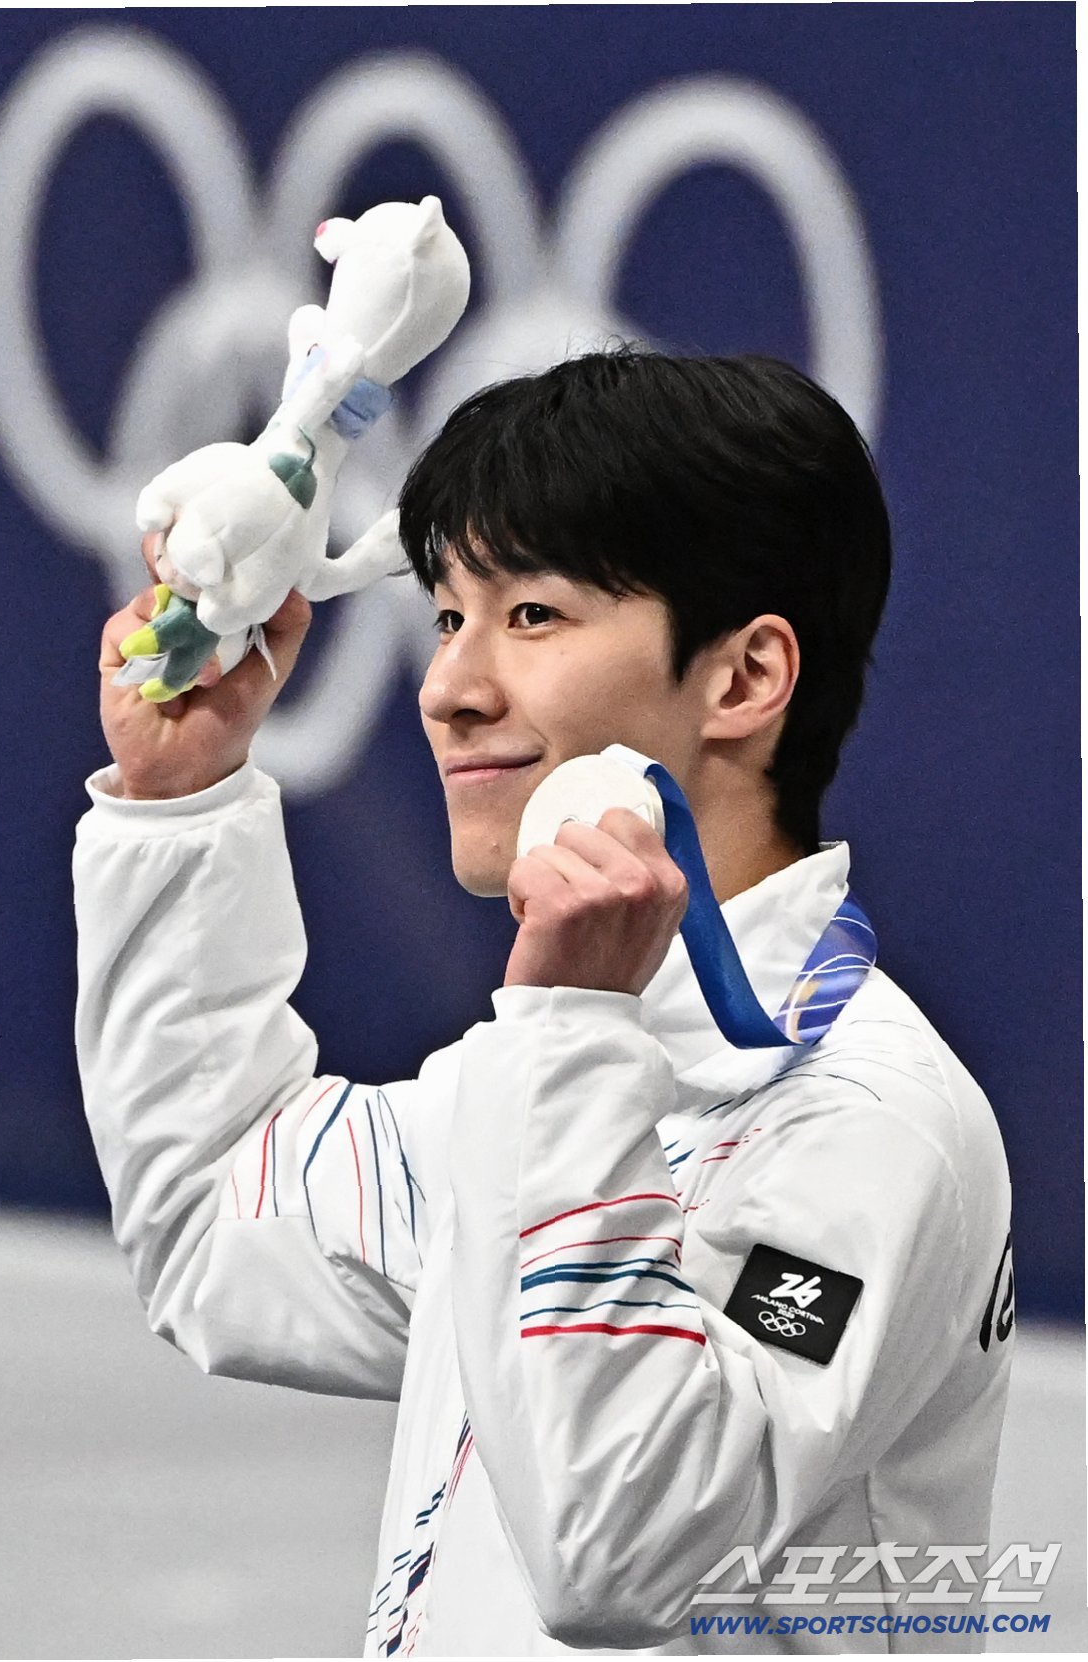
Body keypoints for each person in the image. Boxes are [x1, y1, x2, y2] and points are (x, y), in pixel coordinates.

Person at [75, 349, 1014, 1656]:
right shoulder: (538, 1069)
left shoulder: (870, 1131)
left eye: (530, 615)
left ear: (744, 678)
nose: (447, 689)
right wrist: (180, 806)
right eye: (447, 616)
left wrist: (571, 1035)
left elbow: (615, 1551)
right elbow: (214, 1225)